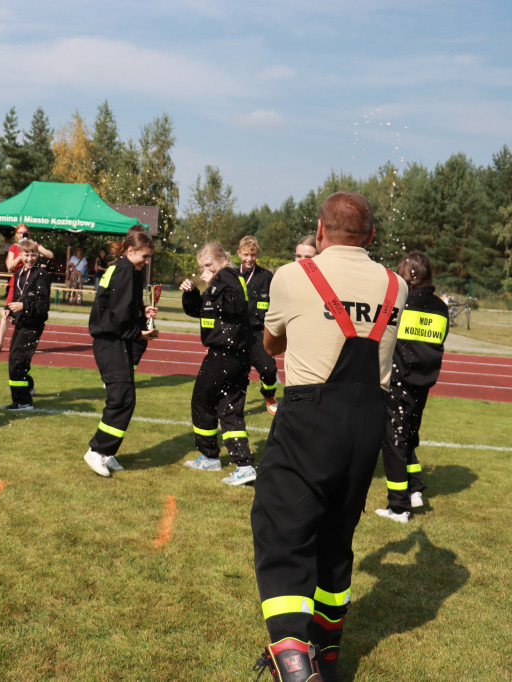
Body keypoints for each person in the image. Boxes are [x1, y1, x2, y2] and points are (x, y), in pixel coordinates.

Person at [250, 191, 406, 681]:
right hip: (367, 422)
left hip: (310, 412)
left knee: (283, 528)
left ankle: (295, 665)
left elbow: (271, 340)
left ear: (319, 231)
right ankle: (327, 653)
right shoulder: (395, 284)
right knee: (337, 535)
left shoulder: (294, 276)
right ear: (372, 236)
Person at [376, 252, 448, 523]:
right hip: (423, 382)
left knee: (393, 440)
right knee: (407, 435)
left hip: (399, 380)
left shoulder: (399, 303)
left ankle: (398, 507)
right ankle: (415, 489)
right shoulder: (440, 307)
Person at [179, 242, 258, 485]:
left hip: (225, 352)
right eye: (202, 267)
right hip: (235, 354)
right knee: (229, 407)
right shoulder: (223, 280)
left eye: (208, 265)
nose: (206, 270)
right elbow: (200, 311)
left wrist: (213, 282)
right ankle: (244, 464)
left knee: (202, 401)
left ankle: (209, 455)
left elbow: (235, 306)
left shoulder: (227, 276)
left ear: (223, 259)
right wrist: (191, 292)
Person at [83, 229, 158, 477]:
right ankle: (97, 451)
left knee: (126, 398)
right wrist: (139, 333)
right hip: (110, 342)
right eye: (144, 257)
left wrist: (143, 311)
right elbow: (118, 316)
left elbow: (124, 307)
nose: (147, 262)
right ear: (130, 251)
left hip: (115, 340)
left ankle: (107, 453)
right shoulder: (126, 270)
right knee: (121, 399)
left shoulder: (127, 269)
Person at [4, 239, 51, 411]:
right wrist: (7, 309)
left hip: (33, 323)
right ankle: (27, 391)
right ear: (20, 255)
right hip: (21, 321)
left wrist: (25, 306)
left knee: (18, 359)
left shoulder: (42, 275)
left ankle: (23, 401)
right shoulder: (19, 273)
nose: (30, 258)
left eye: (33, 255)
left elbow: (43, 304)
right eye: (26, 255)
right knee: (18, 359)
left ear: (37, 256)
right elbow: (17, 295)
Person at [0, 223, 53, 352]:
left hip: (31, 282)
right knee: (7, 312)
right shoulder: (14, 247)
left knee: (29, 310)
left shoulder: (34, 246)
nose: (22, 235)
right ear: (16, 235)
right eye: (19, 233)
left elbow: (50, 255)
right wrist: (22, 253)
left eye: (25, 233)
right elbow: (9, 266)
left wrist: (33, 246)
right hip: (17, 282)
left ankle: (27, 341)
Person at [237, 236, 280, 416]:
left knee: (269, 369)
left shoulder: (266, 276)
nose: (249, 259)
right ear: (239, 253)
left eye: (253, 255)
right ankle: (234, 406)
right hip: (237, 332)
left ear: (257, 255)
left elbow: (278, 302)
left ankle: (269, 395)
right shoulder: (231, 274)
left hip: (258, 332)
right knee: (237, 372)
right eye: (246, 254)